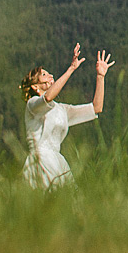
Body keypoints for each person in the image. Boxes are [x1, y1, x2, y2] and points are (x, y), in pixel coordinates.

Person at [19, 43, 115, 189]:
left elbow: (96, 108)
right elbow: (48, 97)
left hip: (57, 161)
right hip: (40, 161)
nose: (50, 75)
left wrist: (100, 76)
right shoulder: (33, 105)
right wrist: (71, 69)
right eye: (44, 74)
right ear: (35, 86)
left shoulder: (62, 109)